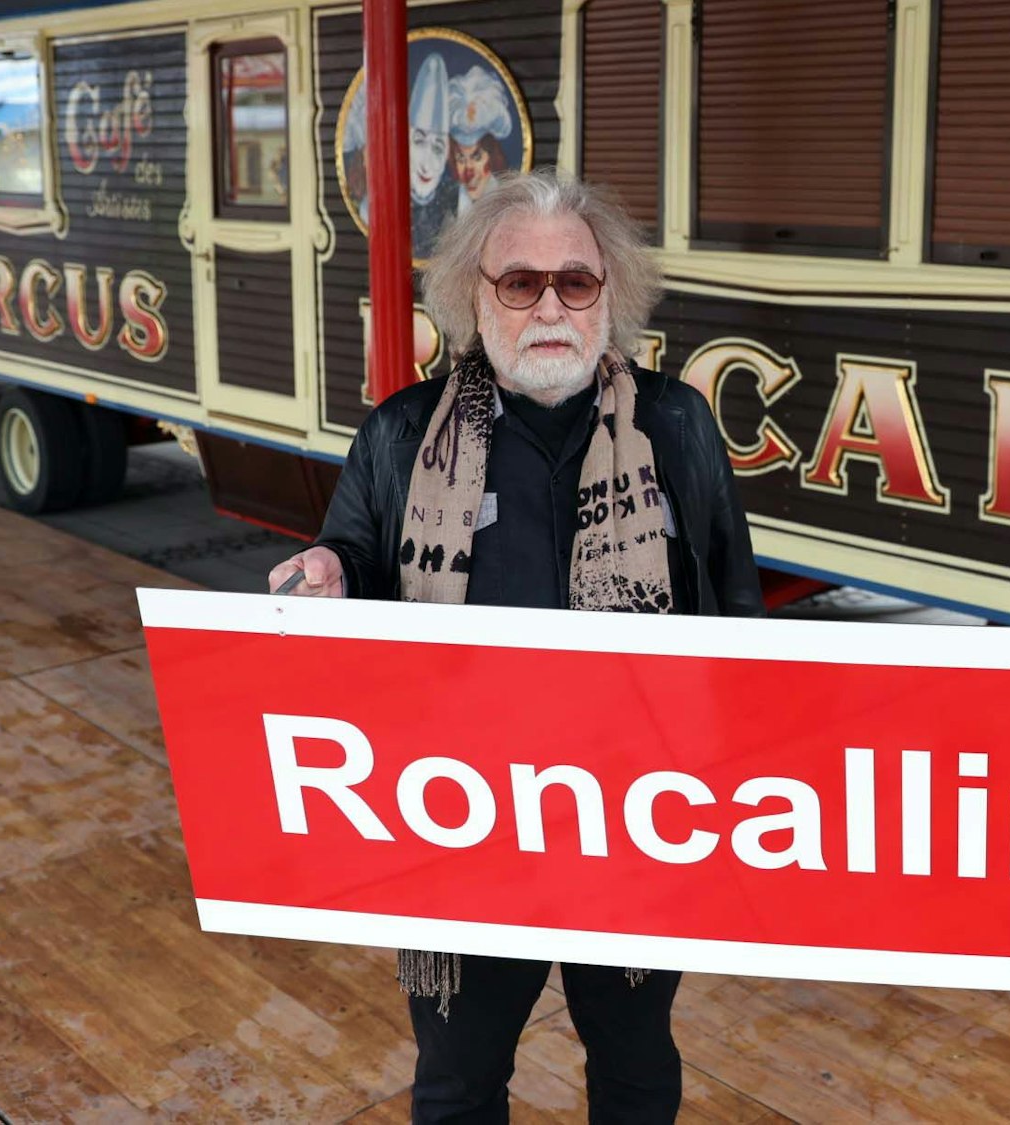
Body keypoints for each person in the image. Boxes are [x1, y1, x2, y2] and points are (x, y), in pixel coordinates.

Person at [269, 170, 764, 1123]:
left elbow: (732, 607)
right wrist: (330, 568)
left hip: (634, 818)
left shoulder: (674, 424)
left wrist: (733, 788)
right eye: (519, 282)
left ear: (609, 295)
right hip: (460, 817)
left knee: (633, 1061)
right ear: (473, 296)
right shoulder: (403, 433)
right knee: (457, 1077)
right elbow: (357, 561)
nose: (549, 305)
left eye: (574, 282)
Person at [407, 52, 463, 259]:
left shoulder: (458, 202)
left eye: (438, 147)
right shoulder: (379, 200)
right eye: (419, 141)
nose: (427, 163)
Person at [448, 65, 514, 212]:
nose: (468, 172)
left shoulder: (508, 206)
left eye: (476, 157)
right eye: (460, 158)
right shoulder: (448, 208)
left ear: (492, 157)